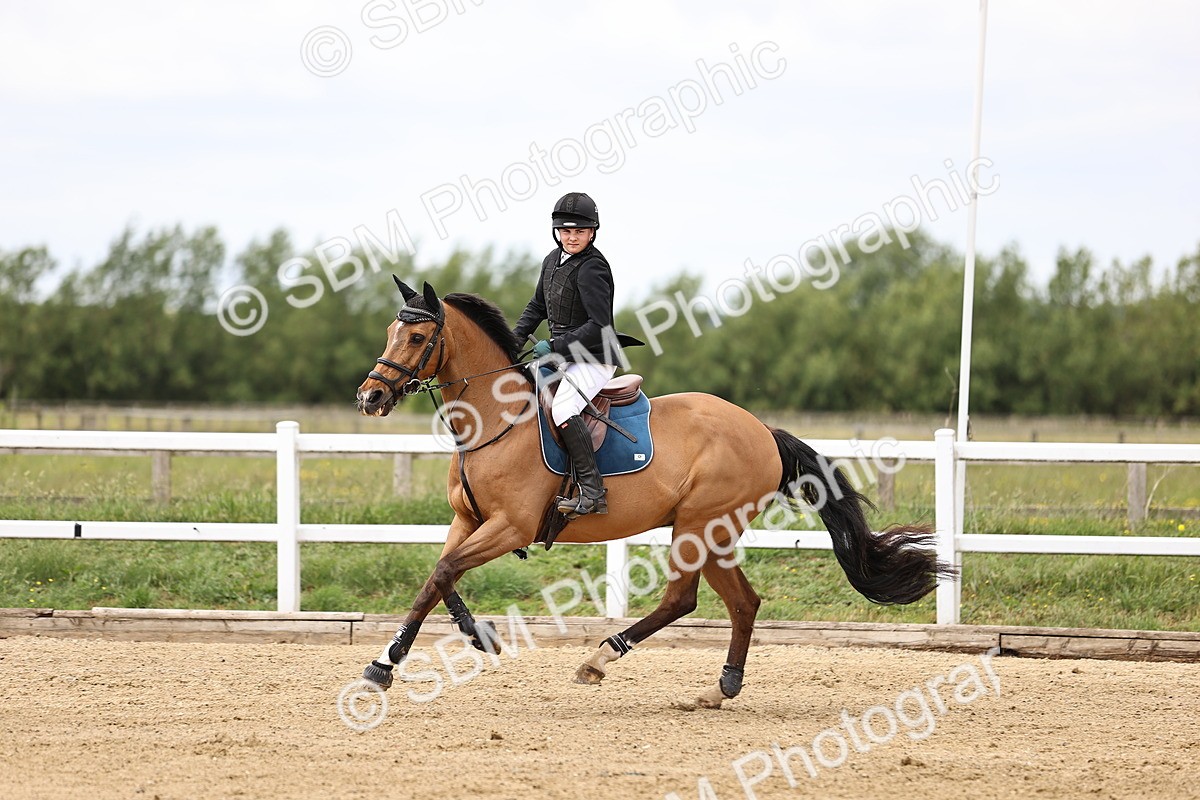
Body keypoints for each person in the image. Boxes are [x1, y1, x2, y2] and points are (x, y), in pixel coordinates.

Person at [512, 191, 628, 517]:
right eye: (566, 231)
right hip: (564, 357)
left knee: (563, 409)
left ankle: (593, 493)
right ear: (556, 231)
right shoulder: (552, 260)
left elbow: (599, 324)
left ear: (592, 232)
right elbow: (537, 306)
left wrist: (554, 346)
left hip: (594, 357)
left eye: (579, 231)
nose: (572, 237)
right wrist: (513, 338)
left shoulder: (593, 268)